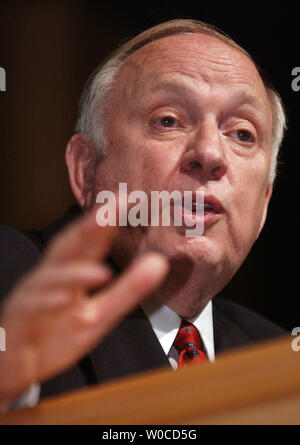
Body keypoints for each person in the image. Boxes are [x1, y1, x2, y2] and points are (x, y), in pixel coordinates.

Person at [0, 19, 287, 413]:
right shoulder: (10, 277)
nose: (210, 154)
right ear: (87, 170)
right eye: (167, 121)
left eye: (241, 133)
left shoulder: (281, 362)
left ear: (264, 206)